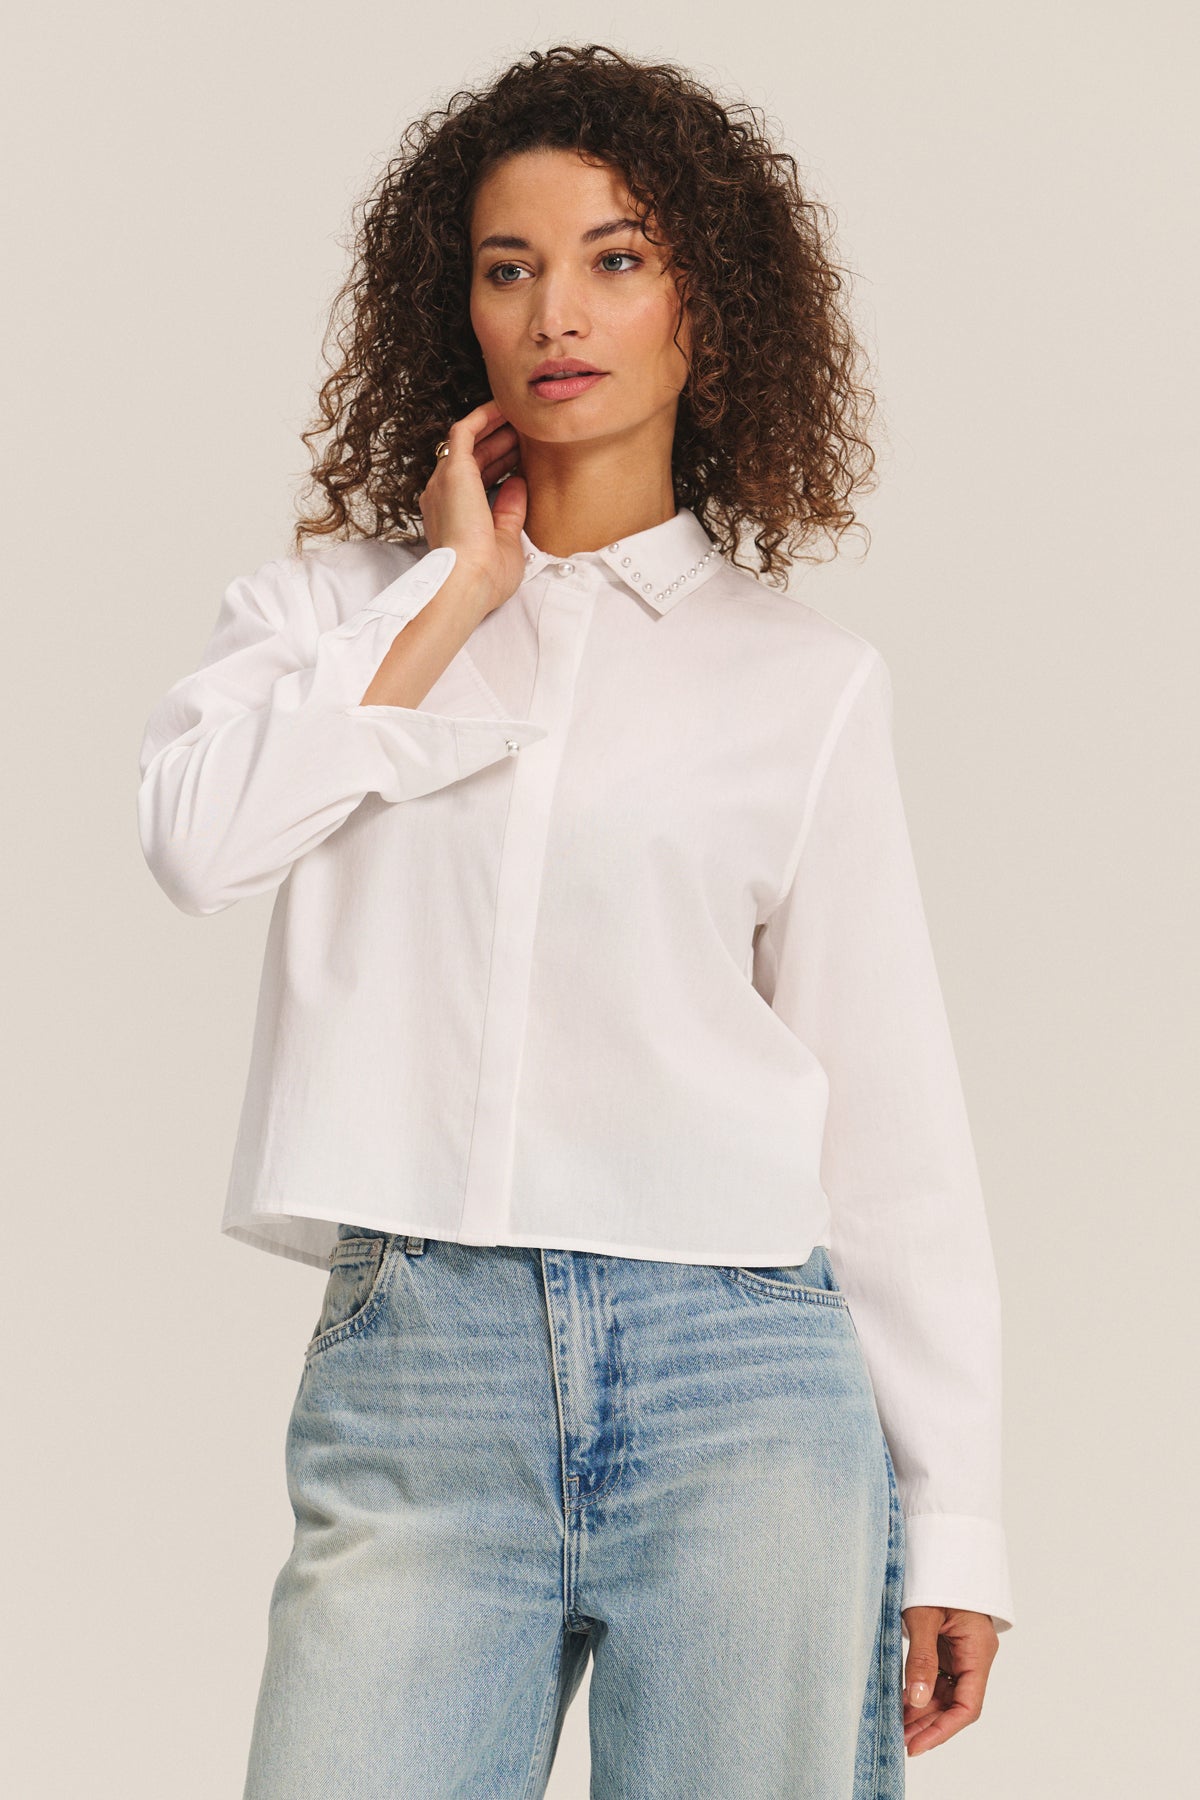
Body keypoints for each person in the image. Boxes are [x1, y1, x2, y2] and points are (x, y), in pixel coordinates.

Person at [136, 41, 1014, 1800]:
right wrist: (455, 601)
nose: (560, 309)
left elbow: (889, 1119)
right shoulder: (332, 610)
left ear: (709, 304)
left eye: (617, 258)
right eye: (509, 265)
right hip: (419, 1379)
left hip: (745, 1382)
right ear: (453, 308)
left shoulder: (808, 684)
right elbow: (196, 842)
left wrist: (961, 1521)